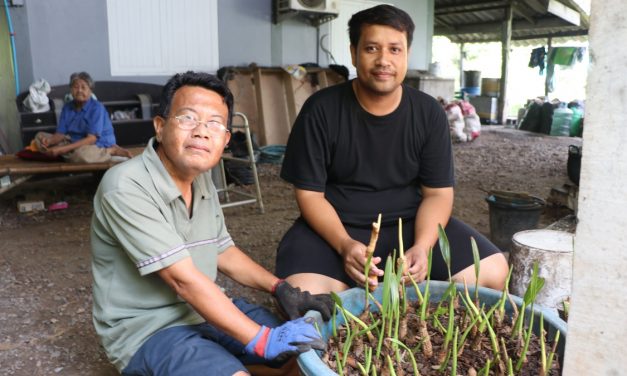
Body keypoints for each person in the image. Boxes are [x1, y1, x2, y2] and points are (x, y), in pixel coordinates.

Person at [91, 71, 333, 376]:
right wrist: (262, 340)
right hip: (149, 330)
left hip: (200, 311)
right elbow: (183, 281)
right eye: (188, 118)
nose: (202, 132)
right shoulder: (126, 185)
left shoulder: (200, 180)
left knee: (309, 351)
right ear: (161, 126)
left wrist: (280, 287)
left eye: (215, 123)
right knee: (268, 351)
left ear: (226, 139)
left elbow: (223, 251)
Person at [275, 5, 509, 295]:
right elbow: (310, 194)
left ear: (407, 54)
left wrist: (423, 247)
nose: (383, 60)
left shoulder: (428, 113)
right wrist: (344, 244)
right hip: (336, 227)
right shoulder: (320, 110)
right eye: (371, 48)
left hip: (410, 225)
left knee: (492, 272)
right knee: (307, 296)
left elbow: (437, 193)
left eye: (395, 50)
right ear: (353, 53)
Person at [34, 71, 132, 163]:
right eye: (76, 87)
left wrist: (62, 149)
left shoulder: (96, 108)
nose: (79, 90)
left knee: (81, 154)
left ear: (90, 91)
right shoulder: (67, 107)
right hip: (75, 140)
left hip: (97, 144)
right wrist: (49, 141)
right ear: (71, 90)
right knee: (39, 137)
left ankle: (111, 151)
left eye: (83, 87)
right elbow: (60, 134)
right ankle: (65, 153)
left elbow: (91, 139)